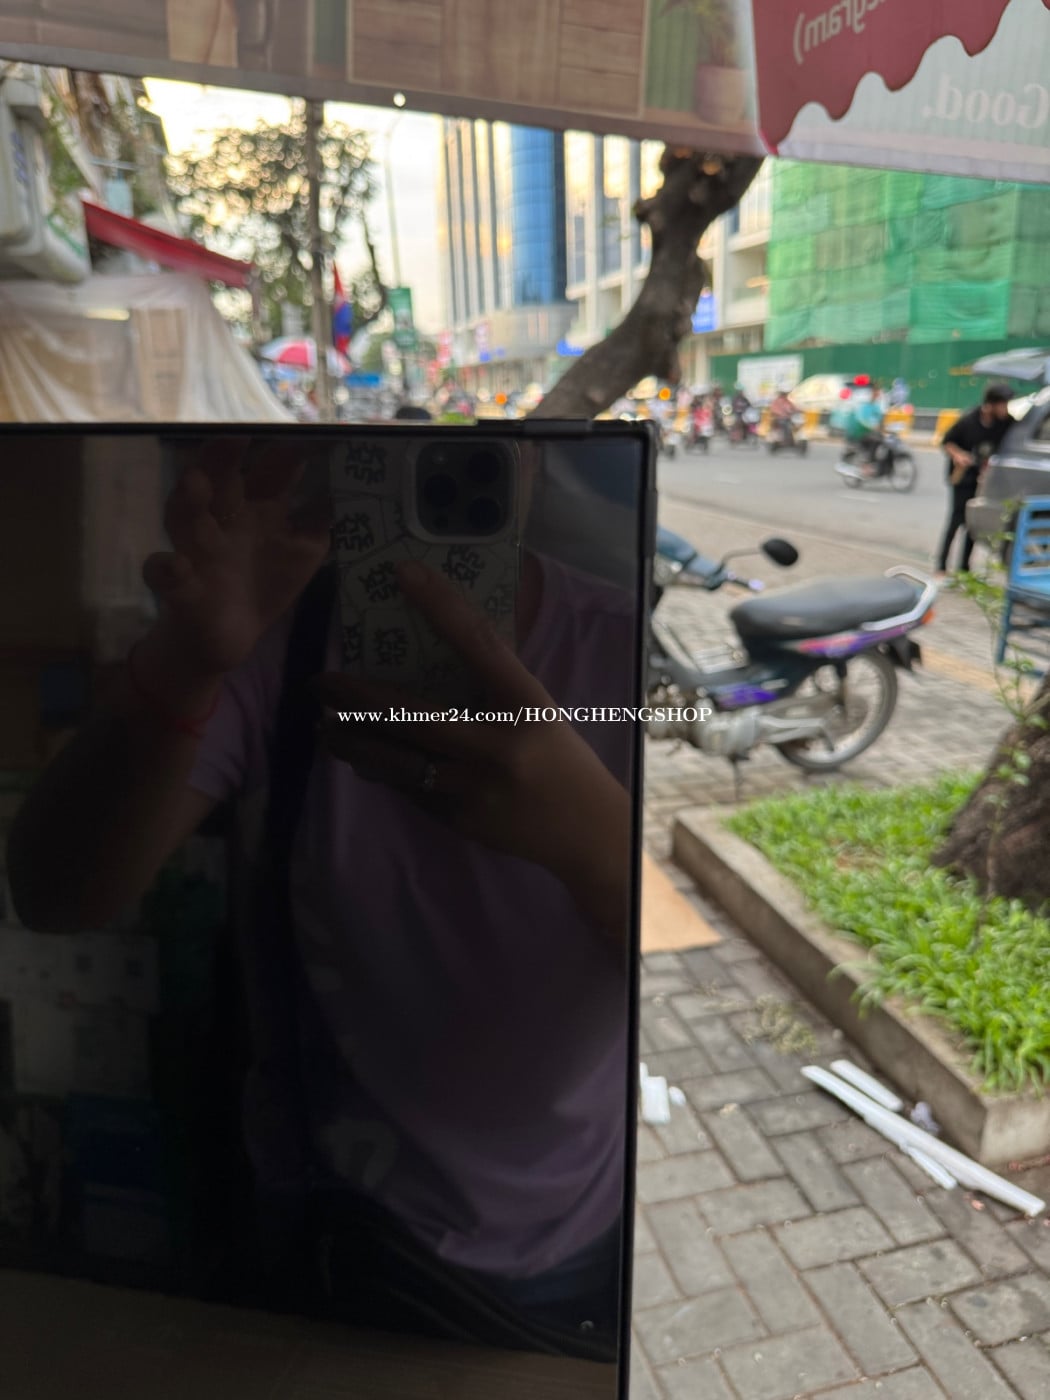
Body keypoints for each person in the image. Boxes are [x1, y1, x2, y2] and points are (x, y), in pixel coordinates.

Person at [5, 445, 634, 1358]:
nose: (436, 472)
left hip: (555, 1246)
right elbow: (54, 894)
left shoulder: (620, 653)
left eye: (476, 444)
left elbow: (692, 983)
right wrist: (183, 664)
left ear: (531, 459)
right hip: (316, 1221)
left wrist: (597, 843)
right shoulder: (277, 632)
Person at [935, 384, 1013, 576]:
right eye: (1002, 404)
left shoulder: (1005, 423)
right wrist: (959, 455)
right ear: (991, 404)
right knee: (956, 520)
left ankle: (964, 568)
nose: (1005, 409)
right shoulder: (969, 420)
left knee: (972, 524)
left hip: (984, 480)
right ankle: (941, 566)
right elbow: (947, 441)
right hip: (963, 478)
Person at [842, 380, 886, 475]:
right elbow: (861, 419)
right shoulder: (863, 404)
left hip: (868, 432)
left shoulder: (876, 405)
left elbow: (880, 419)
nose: (878, 394)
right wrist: (871, 426)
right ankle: (867, 464)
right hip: (858, 432)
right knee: (874, 441)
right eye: (876, 392)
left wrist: (884, 428)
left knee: (883, 441)